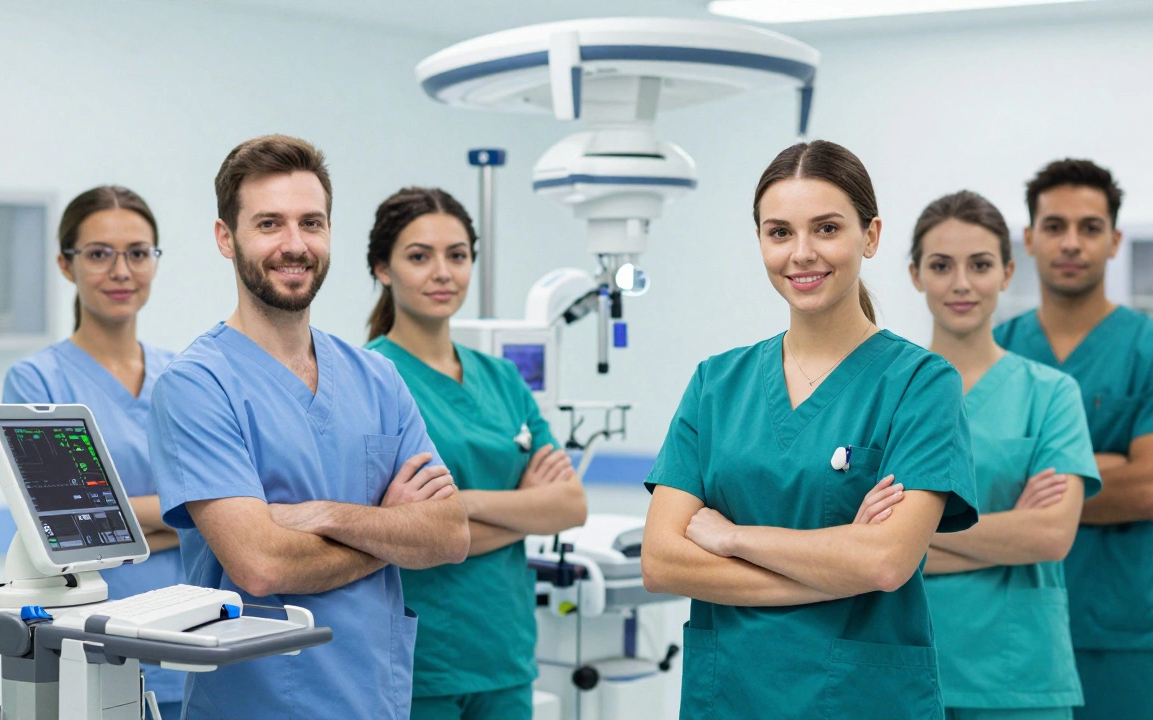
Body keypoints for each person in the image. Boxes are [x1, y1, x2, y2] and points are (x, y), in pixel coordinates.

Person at [640, 140, 979, 719]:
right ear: (761, 242)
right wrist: (838, 562)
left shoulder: (920, 383)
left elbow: (886, 562)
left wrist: (732, 537)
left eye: (826, 228)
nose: (802, 254)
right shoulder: (716, 384)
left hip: (860, 699)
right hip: (730, 695)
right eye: (779, 233)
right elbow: (663, 561)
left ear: (869, 237)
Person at [147, 135, 470, 720]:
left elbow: (448, 535)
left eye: (311, 223)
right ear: (227, 238)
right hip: (256, 704)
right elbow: (262, 566)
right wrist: (391, 534)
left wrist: (323, 516)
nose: (294, 245)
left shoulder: (377, 377)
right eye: (269, 223)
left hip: (376, 699)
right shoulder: (196, 385)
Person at [993, 159, 1153, 720]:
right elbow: (969, 488)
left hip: (1122, 633)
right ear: (1029, 240)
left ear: (1114, 241)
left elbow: (1149, 490)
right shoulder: (990, 351)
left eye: (1090, 228)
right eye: (1055, 226)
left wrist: (1023, 479)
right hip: (1005, 623)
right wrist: (1103, 464)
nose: (1071, 243)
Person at [362, 186, 587, 720]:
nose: (443, 272)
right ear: (383, 269)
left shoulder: (503, 378)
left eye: (457, 256)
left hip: (504, 653)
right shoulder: (369, 378)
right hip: (423, 658)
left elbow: (571, 505)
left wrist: (460, 504)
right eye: (419, 257)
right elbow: (391, 531)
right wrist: (524, 508)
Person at [908, 190, 1101, 720]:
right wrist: (1008, 529)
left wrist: (906, 539)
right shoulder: (885, 392)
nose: (962, 283)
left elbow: (1050, 535)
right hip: (904, 664)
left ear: (1008, 273)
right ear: (915, 274)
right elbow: (852, 543)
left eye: (981, 264)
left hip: (1018, 675)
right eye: (941, 265)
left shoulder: (1051, 393)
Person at [2, 186, 186, 720]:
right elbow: (62, 532)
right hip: (93, 638)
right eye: (100, 254)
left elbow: (227, 506)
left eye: (138, 252)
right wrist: (186, 516)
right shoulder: (38, 379)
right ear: (66, 265)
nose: (121, 270)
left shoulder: (183, 375)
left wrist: (118, 522)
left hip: (189, 633)